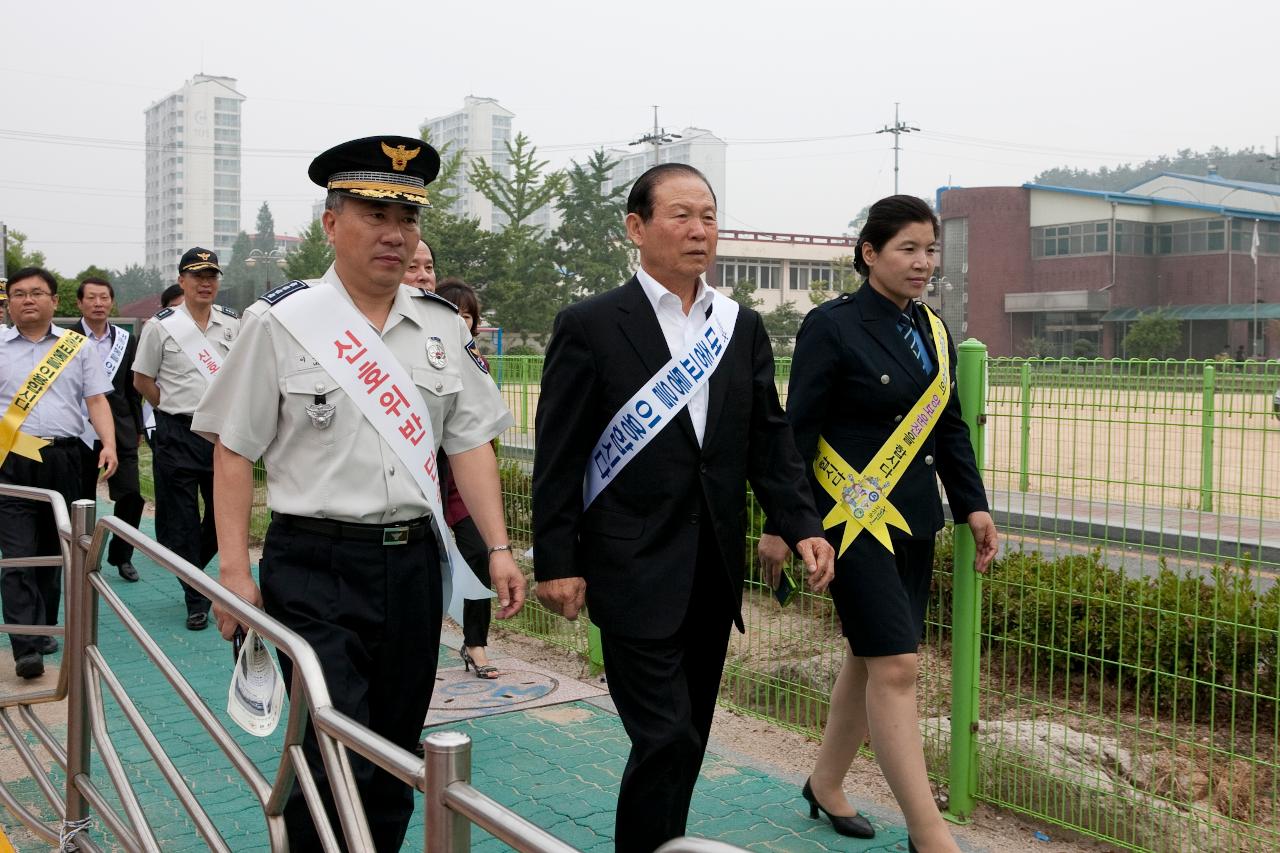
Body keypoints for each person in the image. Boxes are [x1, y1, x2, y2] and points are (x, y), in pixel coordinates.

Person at [194, 134, 525, 852]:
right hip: (314, 564)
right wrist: (231, 570)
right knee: (332, 739)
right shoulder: (279, 322)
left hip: (411, 567)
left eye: (407, 219)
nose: (394, 234)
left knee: (397, 746)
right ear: (331, 222)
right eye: (375, 214)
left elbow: (468, 442)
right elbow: (234, 449)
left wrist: (497, 547)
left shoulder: (437, 326)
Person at [532, 163, 836, 853]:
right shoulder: (590, 325)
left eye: (708, 215)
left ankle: (660, 842)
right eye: (680, 214)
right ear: (636, 227)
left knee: (688, 737)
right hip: (631, 563)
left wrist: (802, 523)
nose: (699, 229)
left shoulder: (740, 326)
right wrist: (557, 558)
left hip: (711, 568)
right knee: (663, 732)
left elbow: (769, 438)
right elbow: (561, 453)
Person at [757, 195, 998, 853]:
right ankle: (929, 831)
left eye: (930, 250)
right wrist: (783, 521)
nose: (923, 263)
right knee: (896, 664)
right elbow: (796, 428)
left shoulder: (936, 330)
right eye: (908, 249)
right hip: (849, 524)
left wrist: (972, 503)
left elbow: (948, 427)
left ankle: (826, 782)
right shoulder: (831, 327)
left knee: (869, 661)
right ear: (870, 253)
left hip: (912, 520)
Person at [0, 267, 118, 679]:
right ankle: (25, 645)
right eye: (19, 294)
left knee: (56, 551)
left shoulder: (77, 347)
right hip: (11, 458)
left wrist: (109, 443)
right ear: (9, 302)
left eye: (37, 293)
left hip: (66, 460)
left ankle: (44, 625)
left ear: (54, 300)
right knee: (17, 553)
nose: (28, 300)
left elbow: (97, 400)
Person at [133, 248, 240, 630]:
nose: (206, 282)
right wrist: (169, 409)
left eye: (212, 275)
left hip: (220, 433)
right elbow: (142, 380)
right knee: (178, 521)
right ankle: (197, 598)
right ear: (182, 281)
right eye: (197, 276)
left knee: (220, 517)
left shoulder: (232, 324)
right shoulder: (160, 326)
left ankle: (192, 569)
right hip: (177, 431)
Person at [433, 278, 499, 677]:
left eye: (467, 315)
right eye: (452, 312)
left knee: (478, 555)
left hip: (464, 486)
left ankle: (476, 644)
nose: (460, 321)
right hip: (426, 480)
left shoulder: (478, 366)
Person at [73, 277, 145, 582]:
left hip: (121, 430)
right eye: (91, 298)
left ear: (111, 302)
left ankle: (121, 555)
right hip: (77, 432)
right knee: (79, 499)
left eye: (104, 298)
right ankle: (80, 557)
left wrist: (138, 427)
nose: (98, 304)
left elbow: (132, 390)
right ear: (80, 303)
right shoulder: (66, 339)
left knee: (131, 497)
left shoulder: (126, 340)